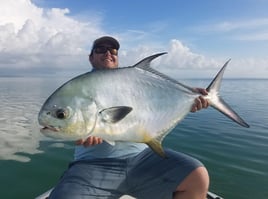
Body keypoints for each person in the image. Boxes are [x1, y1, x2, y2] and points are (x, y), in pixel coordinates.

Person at [48, 36, 210, 199]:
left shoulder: (135, 82)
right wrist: (80, 134)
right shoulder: (79, 89)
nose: (108, 53)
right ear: (91, 57)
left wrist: (189, 96)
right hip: (93, 164)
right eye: (100, 49)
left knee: (197, 176)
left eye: (113, 51)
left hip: (142, 159)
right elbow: (76, 123)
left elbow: (159, 99)